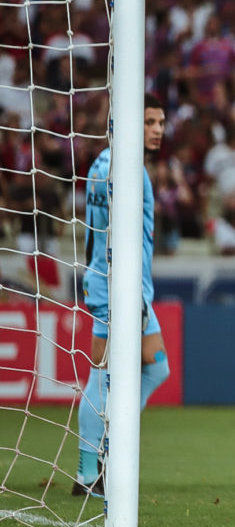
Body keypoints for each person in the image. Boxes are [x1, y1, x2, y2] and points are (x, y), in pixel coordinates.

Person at [74, 95, 172, 497]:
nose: (158, 129)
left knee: (156, 368)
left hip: (119, 285)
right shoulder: (130, 172)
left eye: (161, 122)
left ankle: (107, 449)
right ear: (128, 123)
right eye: (149, 121)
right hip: (119, 287)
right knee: (103, 372)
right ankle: (87, 470)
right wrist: (124, 293)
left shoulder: (101, 163)